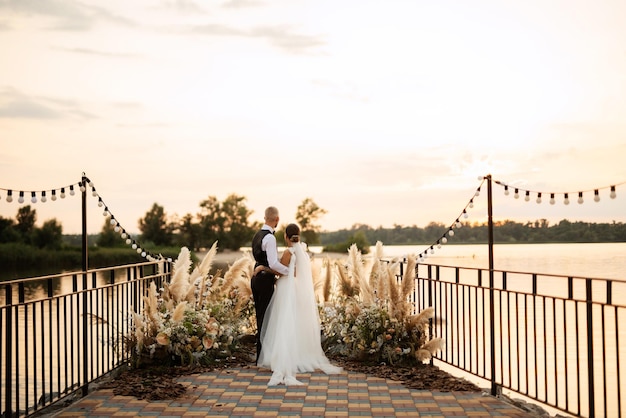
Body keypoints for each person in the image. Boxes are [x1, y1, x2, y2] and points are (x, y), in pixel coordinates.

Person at [255, 223, 343, 386]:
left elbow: (281, 270)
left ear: (286, 237)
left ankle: (284, 356)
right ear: (299, 235)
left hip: (286, 289)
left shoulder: (289, 252)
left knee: (283, 322)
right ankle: (301, 354)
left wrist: (263, 268)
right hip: (296, 289)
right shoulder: (302, 250)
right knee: (295, 322)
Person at [251, 206, 290, 364]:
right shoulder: (271, 238)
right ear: (277, 219)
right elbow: (273, 263)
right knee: (267, 318)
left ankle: (260, 356)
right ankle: (263, 357)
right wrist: (288, 271)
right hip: (265, 280)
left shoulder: (257, 235)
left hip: (255, 278)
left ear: (265, 217)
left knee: (260, 316)